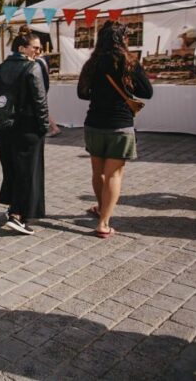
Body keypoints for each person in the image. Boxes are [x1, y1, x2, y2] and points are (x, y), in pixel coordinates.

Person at [77, 21, 153, 238]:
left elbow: (82, 93)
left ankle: (101, 208)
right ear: (123, 39)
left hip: (94, 123)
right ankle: (103, 222)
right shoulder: (129, 62)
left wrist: (100, 93)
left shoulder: (92, 63)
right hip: (120, 124)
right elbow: (147, 92)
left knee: (97, 172)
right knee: (114, 175)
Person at [0, 33, 49, 235]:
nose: (38, 52)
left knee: (12, 169)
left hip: (4, 127)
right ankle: (18, 215)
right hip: (27, 127)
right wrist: (44, 126)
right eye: (35, 48)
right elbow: (40, 101)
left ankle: (12, 207)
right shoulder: (33, 67)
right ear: (22, 48)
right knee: (28, 172)